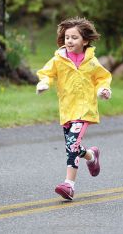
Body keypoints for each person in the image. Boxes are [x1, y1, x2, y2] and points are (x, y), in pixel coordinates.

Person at [36, 17, 112, 200]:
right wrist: (44, 83)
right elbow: (46, 73)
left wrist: (103, 89)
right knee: (72, 146)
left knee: (72, 145)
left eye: (74, 37)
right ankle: (91, 155)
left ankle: (69, 185)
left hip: (85, 109)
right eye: (67, 37)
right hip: (67, 109)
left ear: (85, 41)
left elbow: (102, 77)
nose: (69, 41)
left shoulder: (92, 62)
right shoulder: (58, 60)